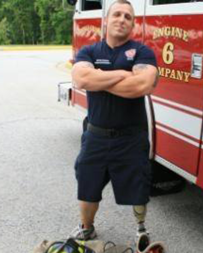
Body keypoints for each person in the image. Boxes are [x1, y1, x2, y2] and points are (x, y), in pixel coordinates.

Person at [69, 0, 158, 240]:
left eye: (128, 17)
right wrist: (122, 74)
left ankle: (140, 230)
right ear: (106, 20)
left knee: (138, 187)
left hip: (131, 137)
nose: (122, 19)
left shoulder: (142, 52)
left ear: (133, 25)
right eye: (117, 14)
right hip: (96, 135)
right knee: (88, 185)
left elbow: (142, 84)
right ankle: (86, 227)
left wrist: (99, 77)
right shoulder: (89, 51)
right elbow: (81, 79)